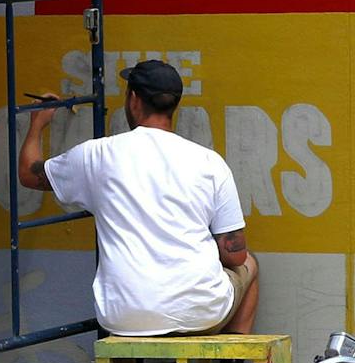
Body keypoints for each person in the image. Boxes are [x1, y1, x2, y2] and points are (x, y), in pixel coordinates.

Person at [17, 58, 258, 341]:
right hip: (201, 312)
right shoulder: (210, 162)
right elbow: (235, 254)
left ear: (133, 100)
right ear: (174, 105)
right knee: (250, 264)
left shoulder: (98, 156)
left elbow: (28, 173)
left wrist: (38, 123)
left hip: (123, 317)